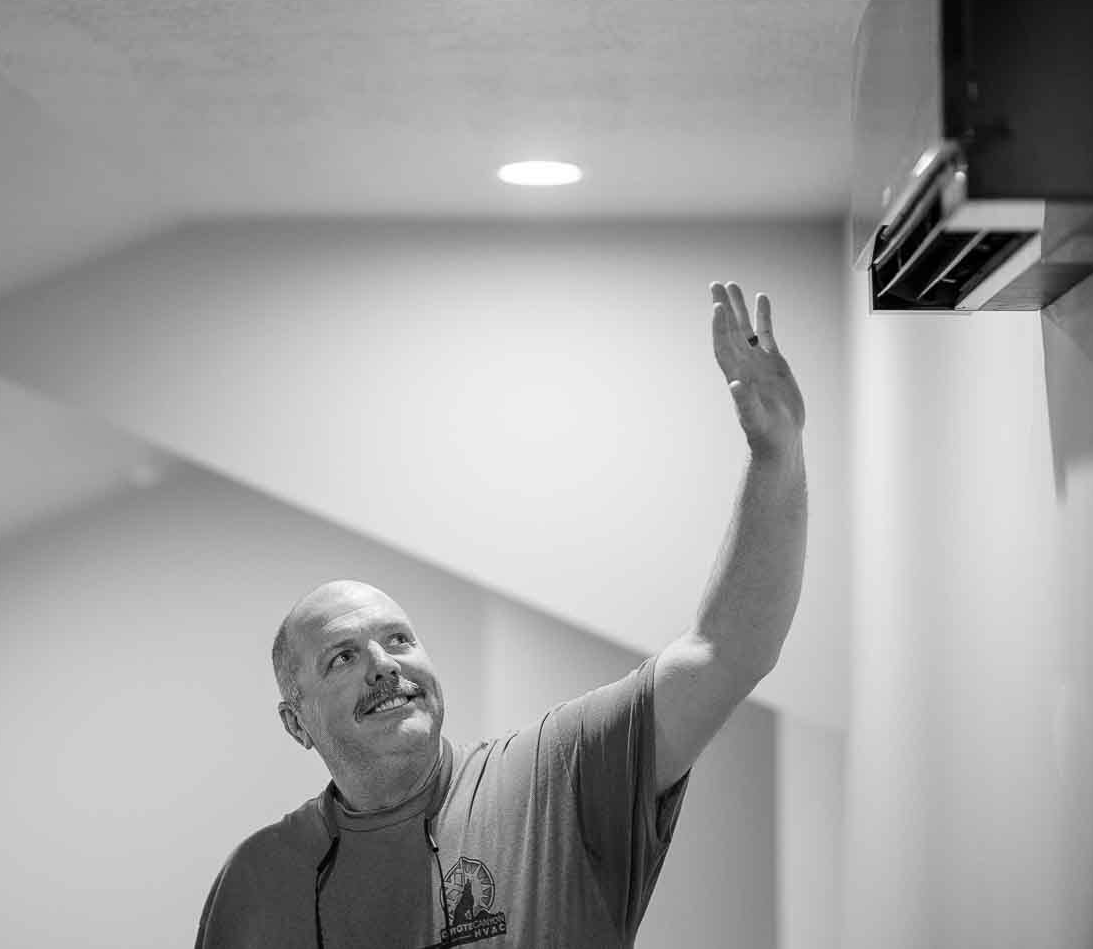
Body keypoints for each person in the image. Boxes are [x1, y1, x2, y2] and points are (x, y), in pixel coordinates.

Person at [194, 281, 811, 947]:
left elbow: (726, 651)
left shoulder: (557, 779)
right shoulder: (256, 882)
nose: (384, 666)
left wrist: (775, 453)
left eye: (398, 639)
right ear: (296, 722)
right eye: (343, 656)